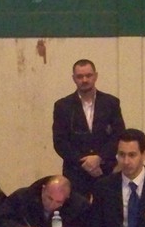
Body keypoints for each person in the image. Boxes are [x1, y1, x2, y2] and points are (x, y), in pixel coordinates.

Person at [52, 59, 126, 198]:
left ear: (95, 76)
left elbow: (119, 135)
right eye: (80, 76)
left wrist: (99, 158)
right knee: (78, 210)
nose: (84, 80)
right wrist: (83, 162)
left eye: (88, 75)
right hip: (76, 173)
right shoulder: (62, 106)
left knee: (108, 209)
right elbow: (60, 142)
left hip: (105, 171)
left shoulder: (111, 103)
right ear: (74, 78)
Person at [0, 174, 90, 227]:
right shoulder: (22, 197)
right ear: (43, 189)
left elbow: (90, 226)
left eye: (59, 202)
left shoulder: (79, 205)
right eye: (49, 198)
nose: (52, 205)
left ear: (67, 197)